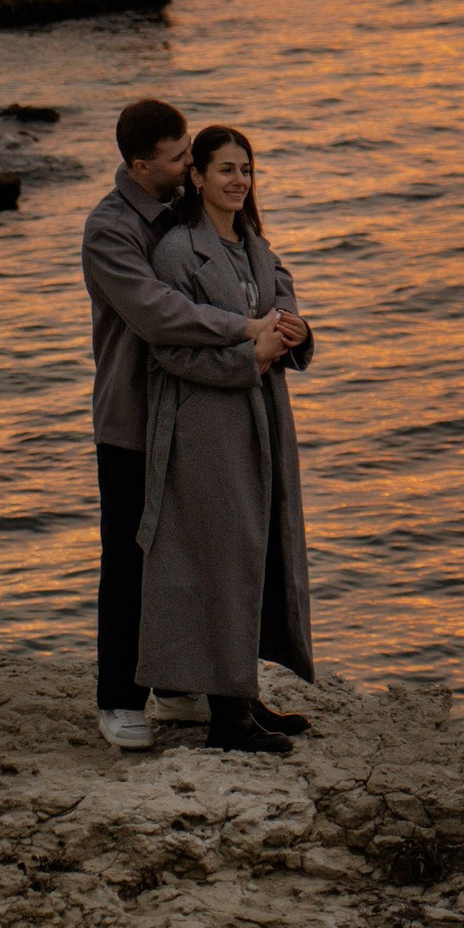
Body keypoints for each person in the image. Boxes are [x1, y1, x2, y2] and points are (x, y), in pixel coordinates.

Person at [83, 97, 302, 754]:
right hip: (133, 417)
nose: (189, 165)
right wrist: (248, 333)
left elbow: (260, 259)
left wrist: (287, 318)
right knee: (132, 559)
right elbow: (161, 314)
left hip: (195, 417)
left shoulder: (180, 203)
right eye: (179, 157)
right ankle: (119, 699)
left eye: (190, 157)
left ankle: (182, 684)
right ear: (140, 162)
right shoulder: (111, 229)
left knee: (193, 555)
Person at [139, 124, 317, 758]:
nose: (239, 180)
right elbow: (168, 352)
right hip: (206, 426)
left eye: (246, 169)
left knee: (263, 548)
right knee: (222, 556)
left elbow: (282, 293)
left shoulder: (254, 244)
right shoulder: (178, 252)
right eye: (225, 169)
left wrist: (293, 330)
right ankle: (226, 718)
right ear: (198, 177)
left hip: (263, 420)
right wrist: (252, 356)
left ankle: (242, 694)